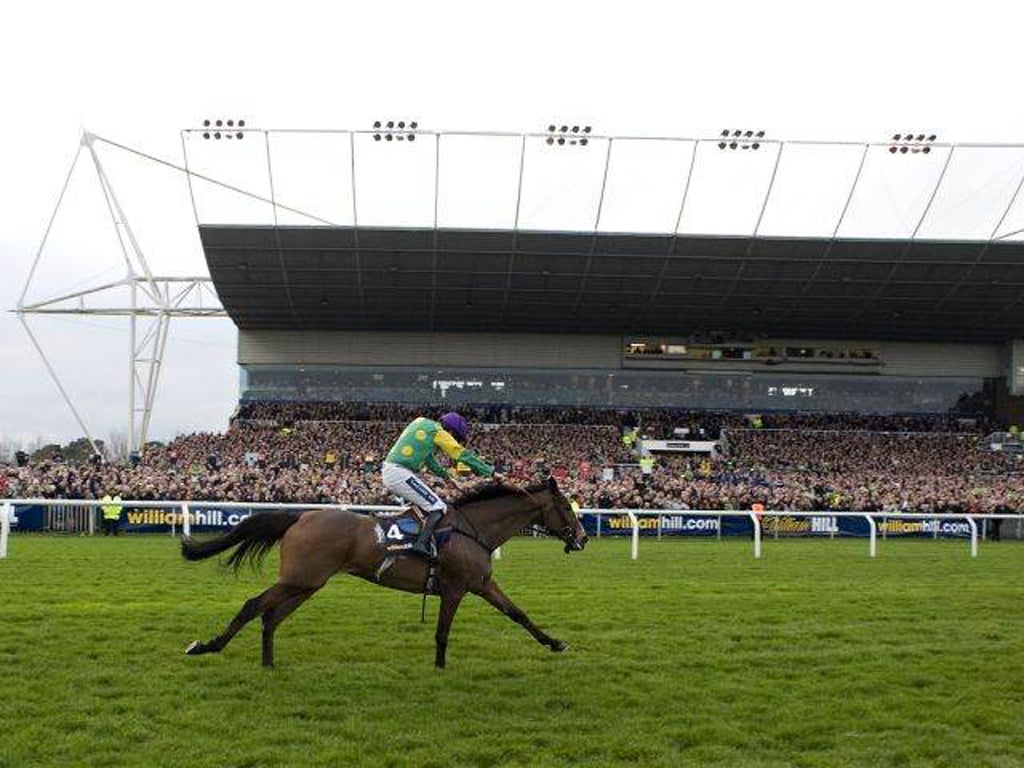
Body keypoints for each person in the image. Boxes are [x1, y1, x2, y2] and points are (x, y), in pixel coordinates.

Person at [381, 412, 496, 560]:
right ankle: (420, 544)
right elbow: (460, 453)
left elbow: (429, 460)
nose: (454, 440)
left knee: (426, 507)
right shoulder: (438, 431)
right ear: (451, 431)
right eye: (456, 437)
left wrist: (449, 479)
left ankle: (408, 540)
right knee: (438, 507)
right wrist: (490, 472)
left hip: (395, 471)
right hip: (399, 473)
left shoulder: (423, 423)